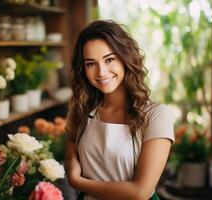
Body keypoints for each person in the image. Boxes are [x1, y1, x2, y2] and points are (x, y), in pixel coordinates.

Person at [65, 20, 175, 200]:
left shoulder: (157, 115)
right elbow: (70, 160)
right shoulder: (81, 109)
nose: (101, 72)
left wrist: (78, 182)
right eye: (91, 63)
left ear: (125, 58)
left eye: (109, 59)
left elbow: (140, 192)